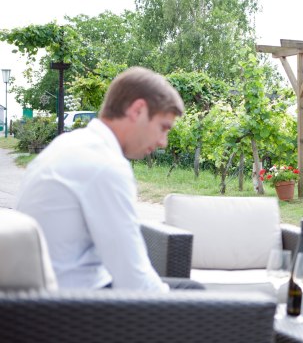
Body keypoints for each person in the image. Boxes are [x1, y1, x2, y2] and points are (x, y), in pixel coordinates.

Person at [17, 67, 192, 291]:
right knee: (193, 295)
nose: (163, 142)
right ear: (138, 110)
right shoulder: (105, 165)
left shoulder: (71, 144)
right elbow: (134, 282)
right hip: (73, 309)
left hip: (42, 299)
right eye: (163, 128)